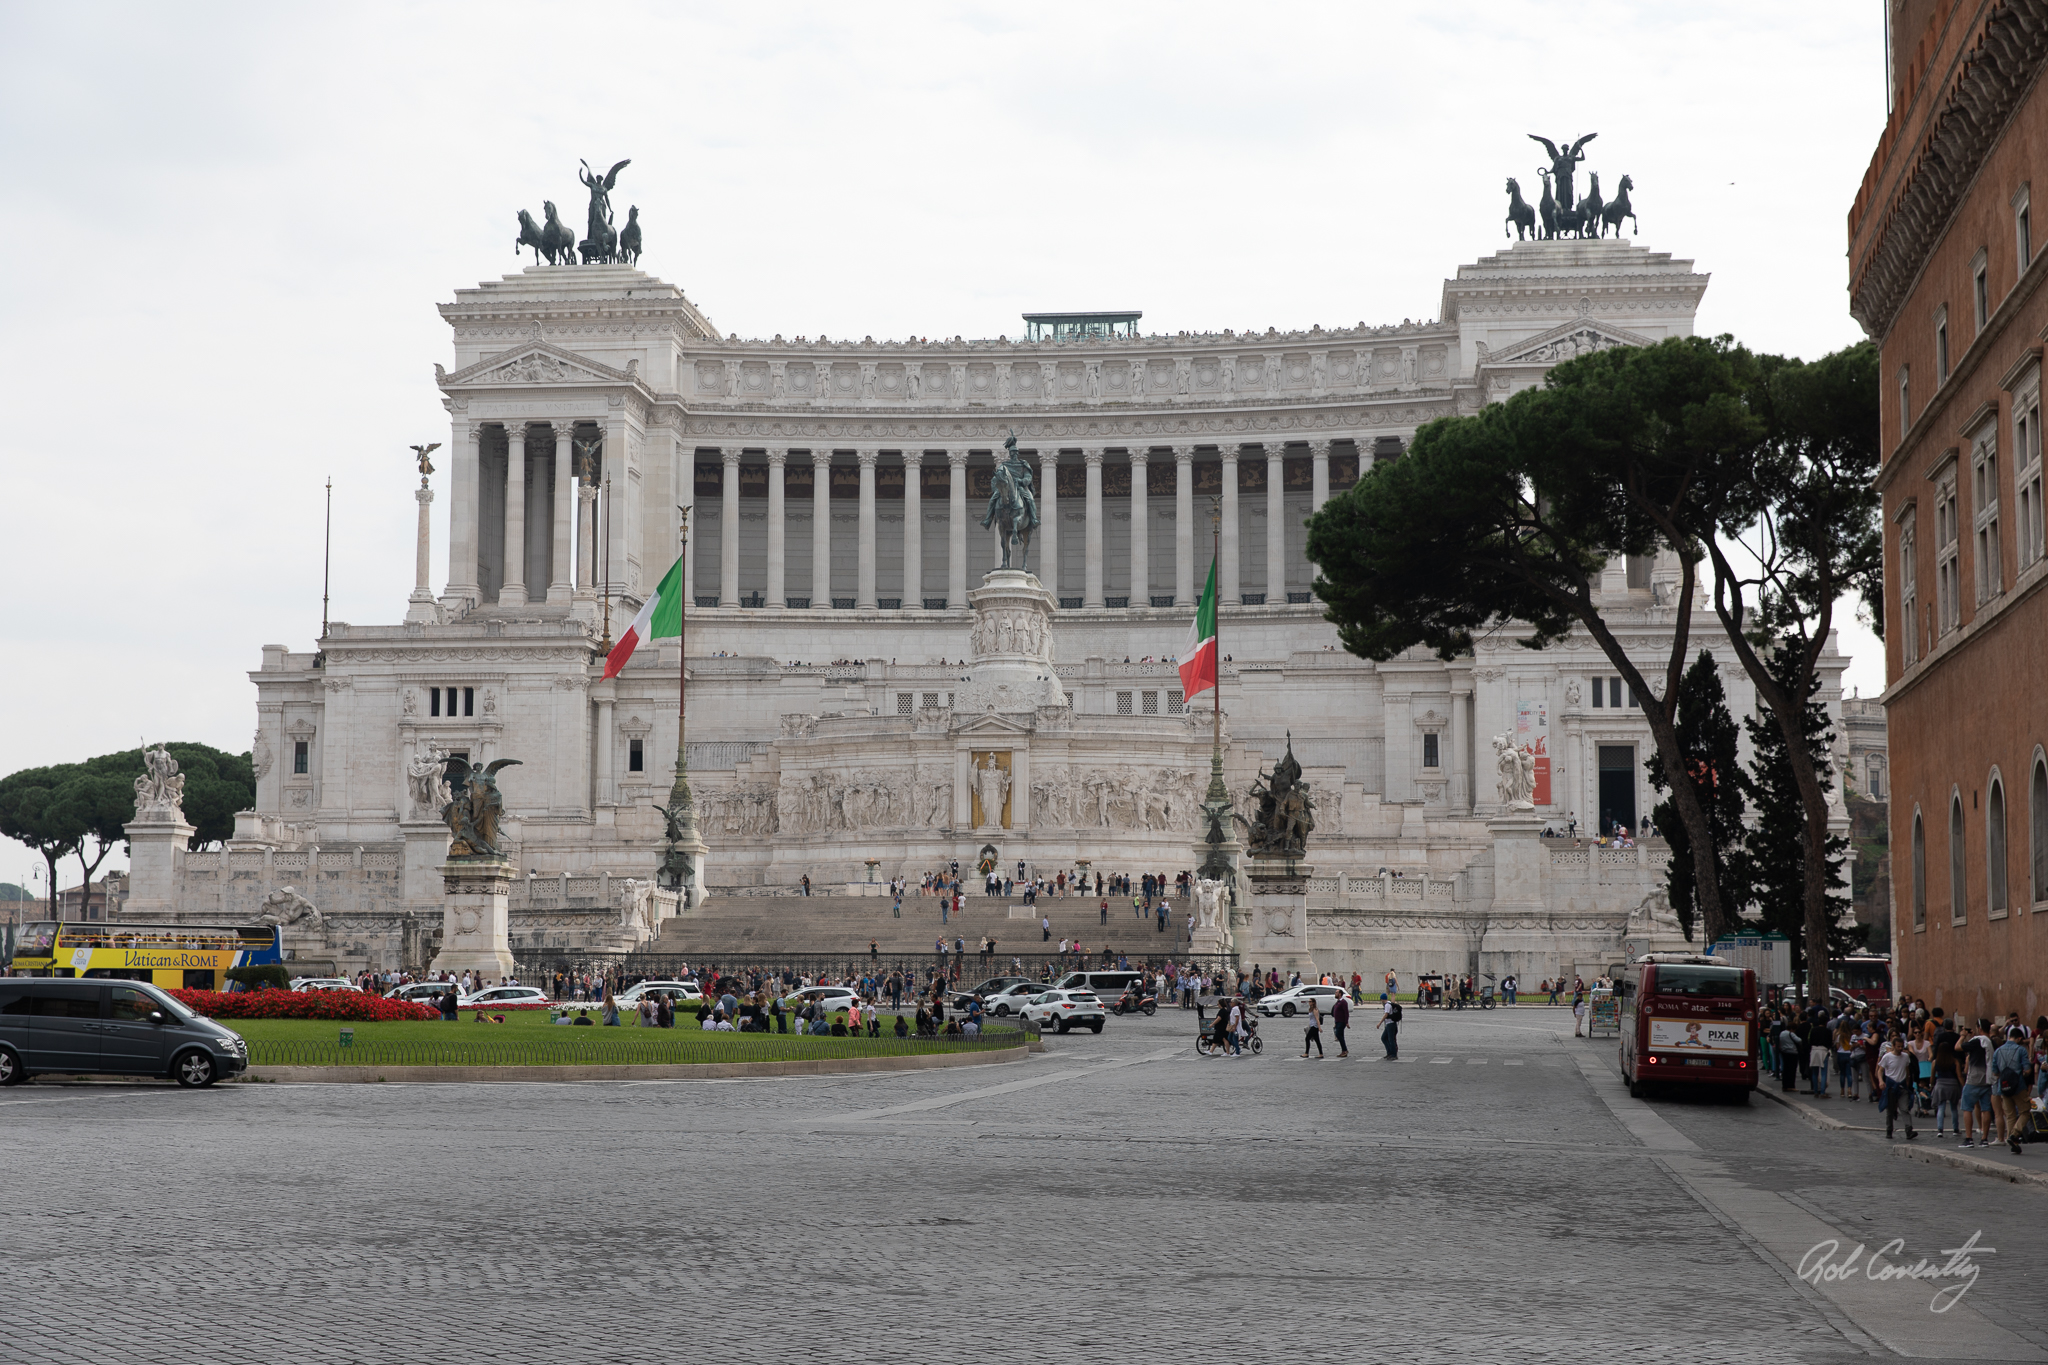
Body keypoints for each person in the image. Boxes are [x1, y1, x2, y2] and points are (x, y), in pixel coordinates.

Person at [1992, 1025, 2031, 1155]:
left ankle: (2012, 1141)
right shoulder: (2021, 1050)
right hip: (2018, 1086)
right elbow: (2028, 1069)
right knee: (2025, 1111)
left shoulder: (1998, 1051)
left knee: (2010, 1116)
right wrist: (2024, 1074)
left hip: (2003, 1086)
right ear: (2019, 1038)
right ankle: (2014, 1136)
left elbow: (1995, 1071)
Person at [1879, 1034, 1918, 1140]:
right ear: (1893, 1046)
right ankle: (1889, 1130)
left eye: (1902, 1046)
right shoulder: (1887, 1057)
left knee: (1904, 1109)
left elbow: (1907, 1070)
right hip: (1891, 1086)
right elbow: (1880, 1070)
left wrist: (1908, 1083)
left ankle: (1909, 1130)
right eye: (1898, 1046)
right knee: (1890, 1110)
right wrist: (1881, 1081)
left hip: (1902, 1086)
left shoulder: (1905, 1056)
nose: (1901, 1049)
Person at [1378, 993, 1401, 1059]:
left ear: (1382, 999)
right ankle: (1389, 1052)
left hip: (1390, 1024)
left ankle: (1393, 1054)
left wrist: (1379, 1023)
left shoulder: (1387, 1005)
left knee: (1391, 1040)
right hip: (1389, 1024)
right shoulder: (1389, 1003)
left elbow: (1386, 1015)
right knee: (1384, 1038)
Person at [1331, 990, 1350, 1058]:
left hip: (1342, 1022)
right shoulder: (1338, 1002)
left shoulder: (1343, 1002)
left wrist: (1346, 1022)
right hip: (1338, 1021)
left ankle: (1344, 1050)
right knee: (1341, 1035)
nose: (1335, 994)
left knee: (1338, 1034)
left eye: (1336, 992)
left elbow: (1346, 1013)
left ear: (1340, 994)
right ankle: (1344, 1051)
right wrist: (1335, 1022)